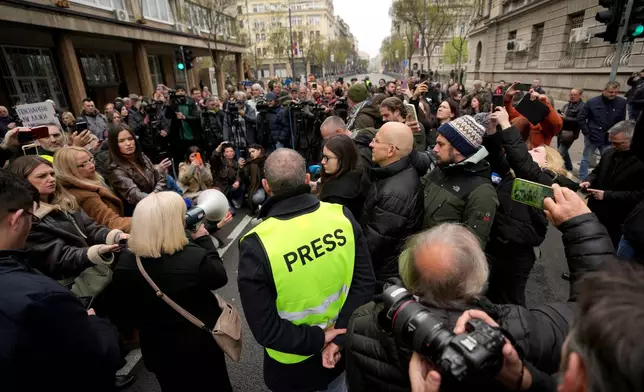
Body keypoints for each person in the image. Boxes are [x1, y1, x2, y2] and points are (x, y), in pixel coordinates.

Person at [345, 185, 614, 392]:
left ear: (408, 272)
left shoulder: (366, 320)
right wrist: (580, 224)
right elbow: (598, 314)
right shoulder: (511, 329)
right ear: (478, 277)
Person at [238, 148, 375, 392]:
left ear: (266, 186)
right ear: (307, 180)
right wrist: (337, 339)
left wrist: (319, 339)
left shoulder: (256, 243)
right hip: (339, 352)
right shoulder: (341, 216)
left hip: (291, 366)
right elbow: (364, 283)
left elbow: (264, 328)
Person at [0, 169, 122, 392]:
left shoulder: (67, 202)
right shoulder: (43, 297)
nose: (50, 179)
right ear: (16, 219)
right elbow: (99, 355)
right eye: (31, 217)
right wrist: (95, 325)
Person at [108, 192, 232, 392]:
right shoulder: (193, 256)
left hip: (158, 349)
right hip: (200, 345)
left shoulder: (126, 264)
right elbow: (219, 277)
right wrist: (204, 240)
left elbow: (124, 312)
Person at [9, 155, 125, 292]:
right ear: (22, 182)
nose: (51, 179)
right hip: (70, 284)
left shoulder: (65, 201)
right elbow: (57, 258)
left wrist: (116, 236)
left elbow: (90, 227)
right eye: (42, 176)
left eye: (52, 174)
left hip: (91, 270)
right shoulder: (28, 218)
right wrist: (93, 252)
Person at [363, 122, 423, 290]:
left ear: (391, 150)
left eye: (376, 140)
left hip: (382, 277)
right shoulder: (394, 176)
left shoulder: (394, 195)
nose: (371, 144)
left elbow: (373, 245)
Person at [421, 115, 498, 245]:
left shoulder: (482, 192)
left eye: (441, 144)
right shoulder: (443, 168)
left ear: (458, 149)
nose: (435, 149)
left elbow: (471, 248)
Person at [579, 120, 644, 247]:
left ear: (632, 140)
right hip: (596, 213)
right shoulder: (609, 153)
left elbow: (639, 195)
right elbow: (596, 172)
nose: (613, 146)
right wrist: (588, 181)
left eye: (618, 143)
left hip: (619, 219)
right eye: (611, 142)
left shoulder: (640, 162)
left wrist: (607, 195)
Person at [54, 146, 131, 232]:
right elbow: (113, 223)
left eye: (90, 159)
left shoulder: (93, 181)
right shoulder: (86, 196)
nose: (91, 165)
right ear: (69, 170)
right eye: (83, 164)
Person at [106, 125, 167, 215]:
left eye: (130, 139)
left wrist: (155, 194)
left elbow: (161, 178)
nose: (128, 143)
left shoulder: (143, 157)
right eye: (121, 141)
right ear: (114, 144)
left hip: (158, 204)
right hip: (139, 213)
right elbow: (134, 196)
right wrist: (155, 197)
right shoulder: (115, 170)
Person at [577, 80, 627, 180]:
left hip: (609, 138)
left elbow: (622, 121)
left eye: (616, 92)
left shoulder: (621, 102)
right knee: (586, 158)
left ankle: (602, 179)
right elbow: (581, 118)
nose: (613, 94)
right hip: (592, 136)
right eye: (611, 92)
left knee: (607, 160)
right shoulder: (592, 102)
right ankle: (583, 178)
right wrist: (587, 132)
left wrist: (616, 134)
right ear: (604, 91)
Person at [318, 135, 371, 220]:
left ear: (343, 159)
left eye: (327, 158)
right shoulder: (359, 175)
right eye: (323, 156)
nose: (323, 161)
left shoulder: (336, 196)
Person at [504, 84, 563, 149]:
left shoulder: (548, 125)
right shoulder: (529, 116)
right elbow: (512, 116)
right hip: (519, 154)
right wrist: (508, 98)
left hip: (536, 157)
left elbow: (557, 123)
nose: (539, 103)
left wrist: (543, 101)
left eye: (543, 103)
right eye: (538, 101)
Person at [558, 88, 585, 171]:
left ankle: (553, 170)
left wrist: (565, 118)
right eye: (571, 94)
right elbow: (562, 113)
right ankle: (569, 168)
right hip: (561, 131)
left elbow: (579, 120)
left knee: (559, 153)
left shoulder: (582, 106)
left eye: (574, 95)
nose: (572, 96)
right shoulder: (567, 105)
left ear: (580, 96)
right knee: (564, 151)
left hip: (570, 134)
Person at [210, 141, 243, 210]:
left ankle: (234, 200)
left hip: (229, 189)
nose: (229, 153)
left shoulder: (236, 163)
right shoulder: (220, 161)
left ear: (234, 153)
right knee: (230, 212)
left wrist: (237, 181)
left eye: (231, 151)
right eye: (227, 152)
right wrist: (220, 146)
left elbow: (238, 175)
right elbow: (214, 157)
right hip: (220, 189)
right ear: (224, 154)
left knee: (241, 185)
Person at [238, 144, 267, 211]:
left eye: (253, 151)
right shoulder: (250, 163)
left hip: (270, 185)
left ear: (259, 150)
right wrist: (241, 168)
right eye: (250, 152)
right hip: (258, 187)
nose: (251, 154)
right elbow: (244, 177)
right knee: (257, 198)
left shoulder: (268, 159)